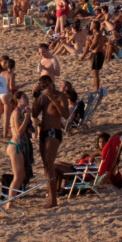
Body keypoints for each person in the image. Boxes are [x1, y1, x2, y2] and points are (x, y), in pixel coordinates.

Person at [34, 76, 70, 208]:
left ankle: (53, 200)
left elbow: (66, 115)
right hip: (43, 132)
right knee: (46, 166)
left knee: (49, 164)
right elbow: (34, 113)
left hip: (54, 132)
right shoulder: (42, 97)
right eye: (42, 86)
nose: (45, 88)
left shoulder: (60, 96)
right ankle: (51, 196)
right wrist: (35, 96)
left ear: (52, 83)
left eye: (46, 85)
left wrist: (53, 98)